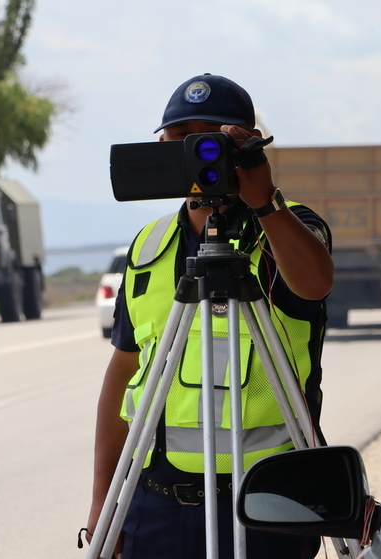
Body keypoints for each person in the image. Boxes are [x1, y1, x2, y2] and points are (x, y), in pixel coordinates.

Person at [84, 74, 334, 559]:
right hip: (155, 506)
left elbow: (314, 283)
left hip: (269, 503)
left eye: (214, 138)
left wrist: (264, 201)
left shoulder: (290, 227)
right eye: (182, 138)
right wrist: (103, 502)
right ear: (161, 147)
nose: (199, 152)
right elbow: (122, 375)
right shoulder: (149, 247)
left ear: (250, 146)